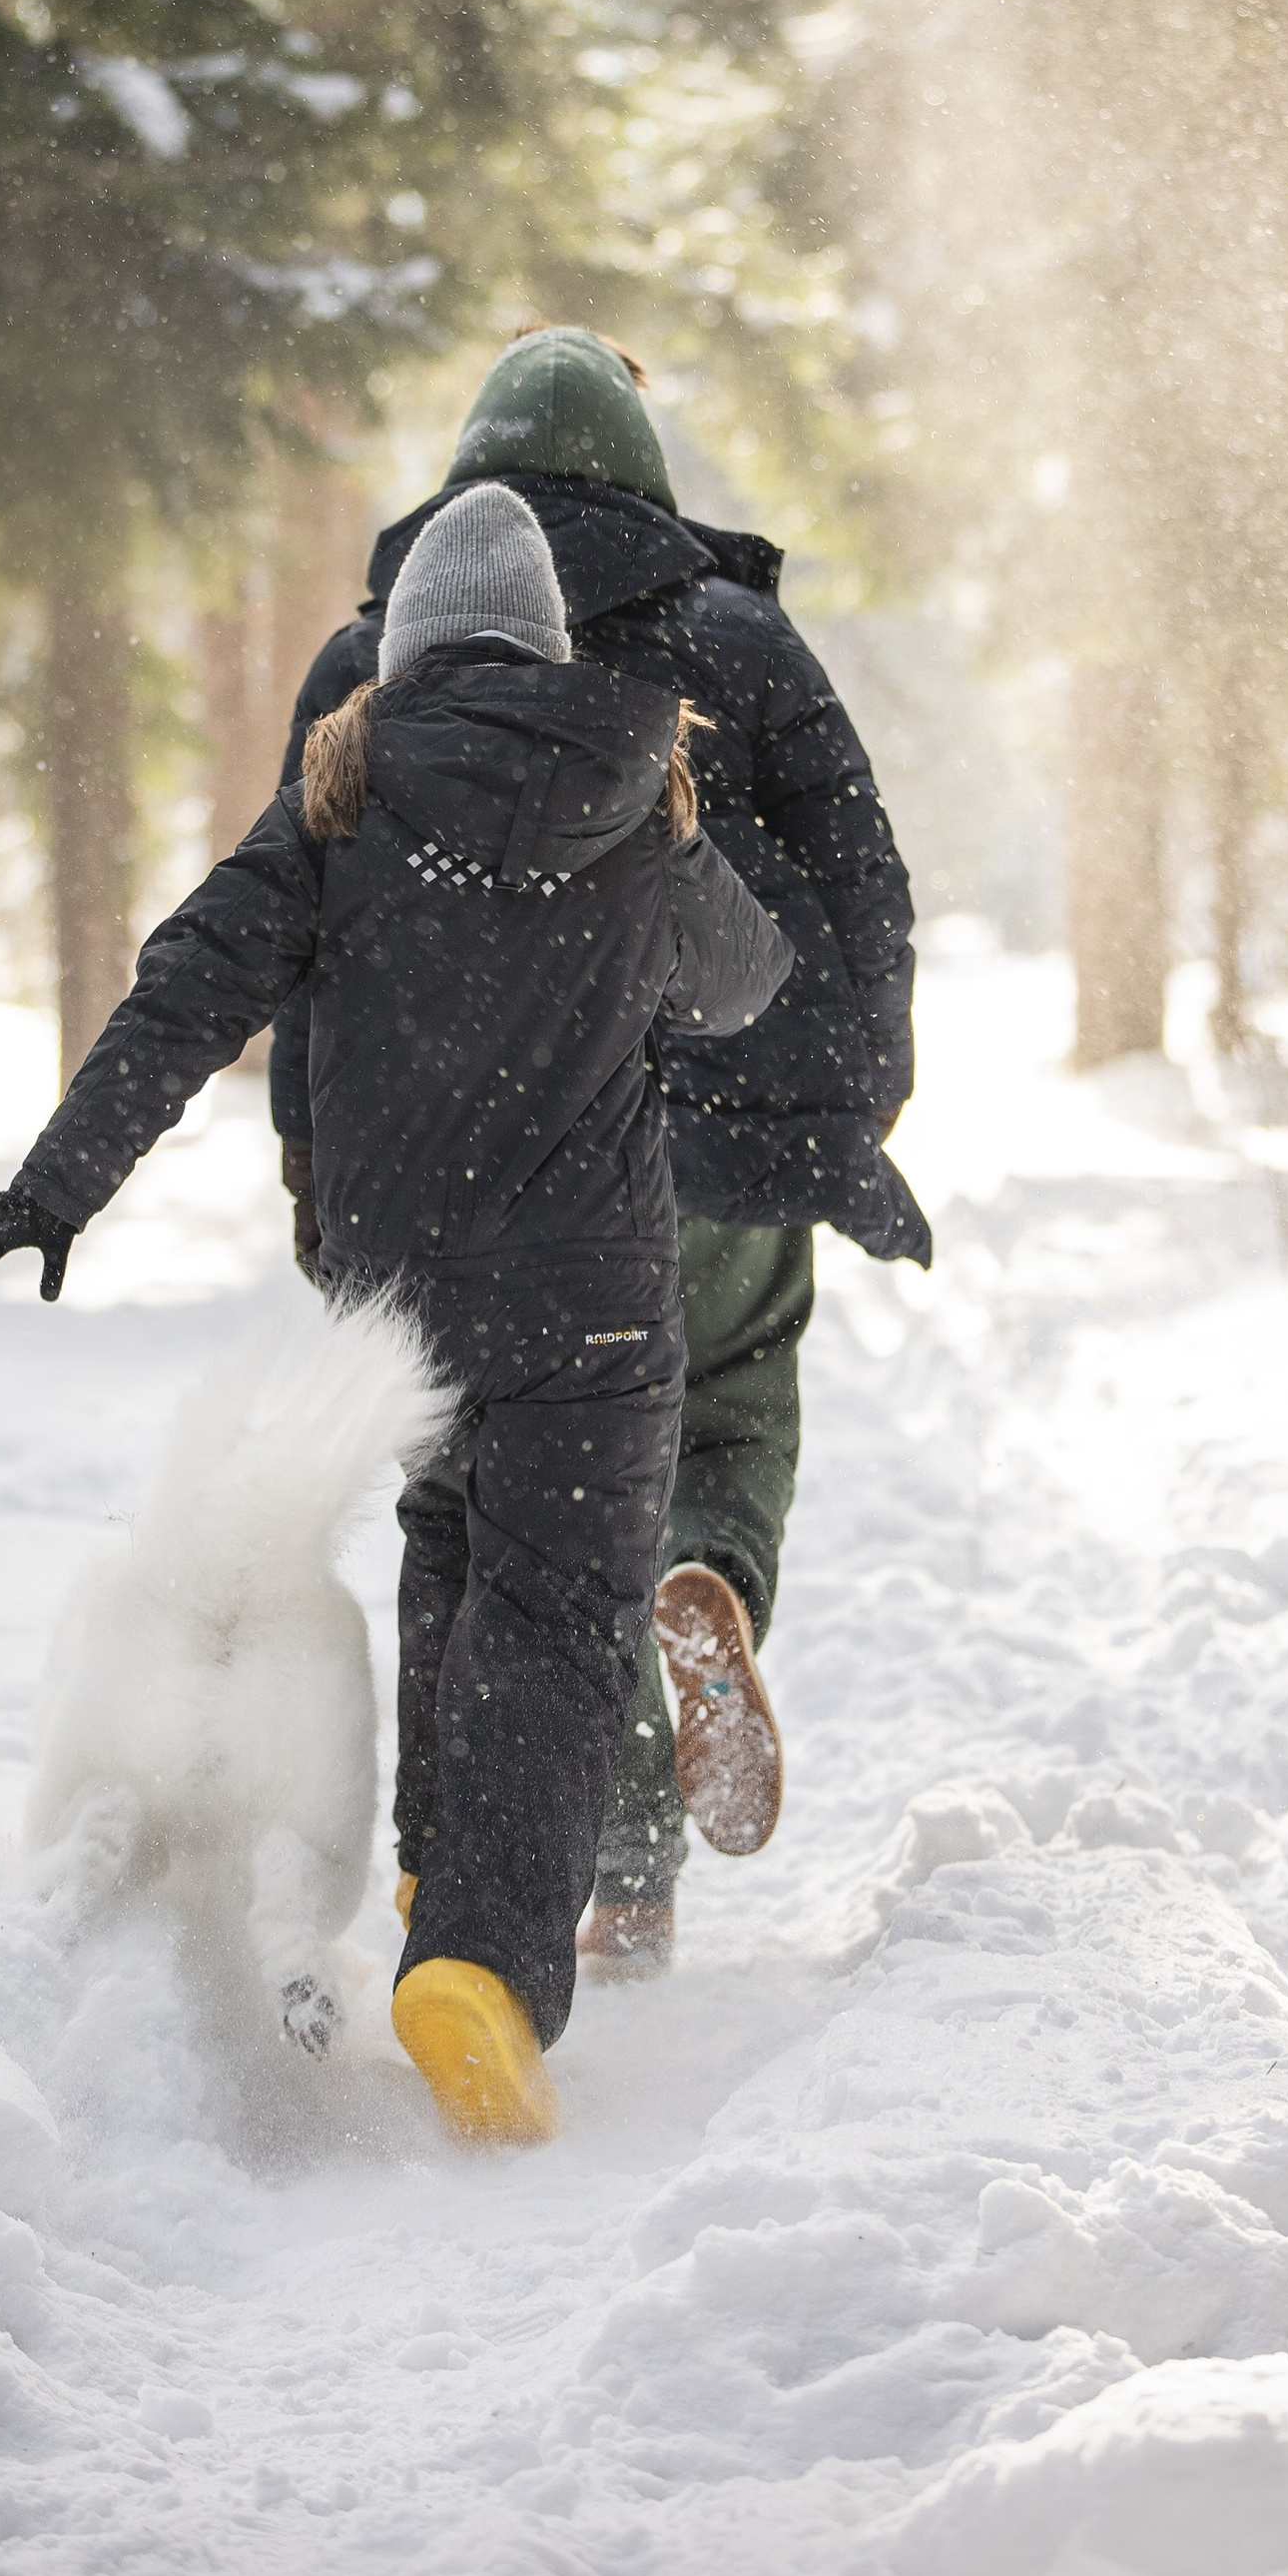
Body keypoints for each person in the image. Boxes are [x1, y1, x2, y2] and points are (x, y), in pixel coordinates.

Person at [0, 479, 792, 2146]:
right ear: (543, 640)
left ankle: (426, 1864)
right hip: (595, 1320)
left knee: (452, 1555)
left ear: (400, 648)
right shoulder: (634, 780)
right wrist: (679, 843)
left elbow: (189, 982)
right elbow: (744, 984)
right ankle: (478, 1961)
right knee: (550, 1621)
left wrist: (61, 1182)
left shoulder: (344, 793)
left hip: (398, 1305)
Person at [275, 328, 929, 1972]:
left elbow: (306, 933)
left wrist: (317, 1178)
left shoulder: (376, 657)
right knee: (724, 1421)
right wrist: (852, 1106)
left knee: (493, 1519)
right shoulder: (744, 641)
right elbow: (863, 885)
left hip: (475, 1169)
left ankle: (487, 1879)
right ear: (642, 470)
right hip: (719, 1146)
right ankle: (660, 1767)